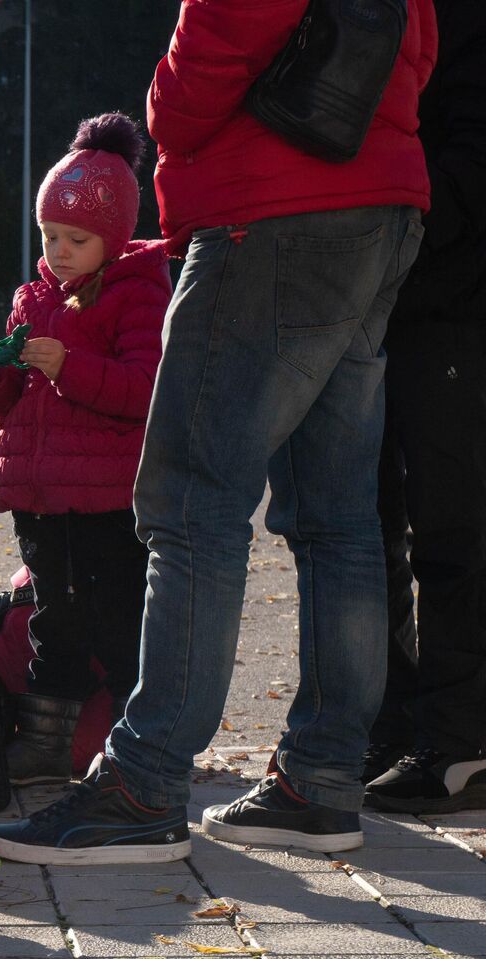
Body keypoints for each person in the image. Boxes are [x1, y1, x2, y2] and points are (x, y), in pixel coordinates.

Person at [0, 0, 436, 866]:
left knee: (190, 500)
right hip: (377, 197)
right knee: (338, 510)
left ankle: (144, 783)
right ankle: (323, 778)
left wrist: (166, 103)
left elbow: (209, 58)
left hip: (264, 209)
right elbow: (413, 45)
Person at [0, 114, 170, 785]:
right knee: (55, 616)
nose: (58, 251)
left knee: (115, 621)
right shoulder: (34, 297)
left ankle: (138, 743)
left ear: (112, 236)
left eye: (76, 238)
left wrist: (68, 365)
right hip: (43, 499)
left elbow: (144, 387)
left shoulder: (137, 290)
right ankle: (48, 740)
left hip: (108, 498)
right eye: (49, 236)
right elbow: (15, 400)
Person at [364, 0, 486, 814]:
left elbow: (470, 160)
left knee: (451, 528)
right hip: (382, 299)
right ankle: (398, 723)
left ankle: (459, 747)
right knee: (365, 526)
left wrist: (394, 216)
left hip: (442, 299)